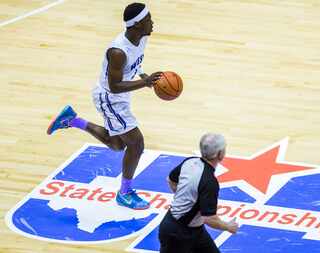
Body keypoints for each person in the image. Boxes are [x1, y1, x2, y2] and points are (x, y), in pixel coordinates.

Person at [46, 2, 162, 210]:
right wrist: (144, 83)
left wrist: (143, 75)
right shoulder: (118, 51)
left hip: (121, 96)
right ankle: (125, 194)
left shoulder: (141, 37)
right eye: (148, 21)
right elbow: (114, 86)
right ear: (136, 25)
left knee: (118, 144)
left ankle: (72, 120)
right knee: (136, 143)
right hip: (109, 98)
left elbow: (136, 61)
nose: (152, 24)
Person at [159, 133, 239, 253]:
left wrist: (185, 197)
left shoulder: (190, 162)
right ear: (220, 154)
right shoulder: (209, 182)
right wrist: (228, 226)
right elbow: (209, 219)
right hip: (177, 234)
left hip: (195, 230)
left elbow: (171, 180)